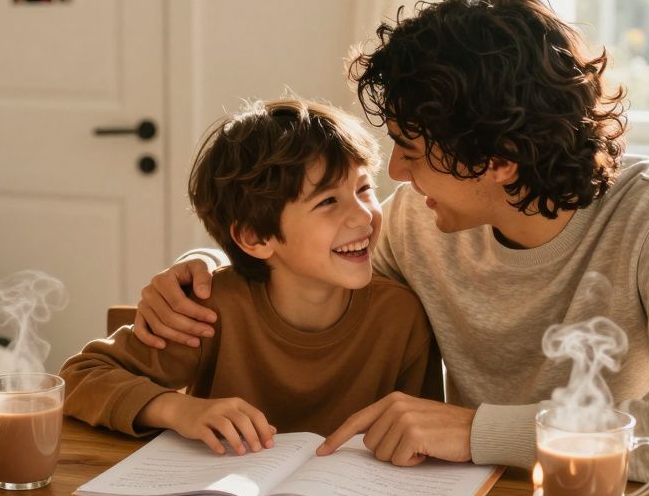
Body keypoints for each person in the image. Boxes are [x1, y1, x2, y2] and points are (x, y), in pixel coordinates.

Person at [132, 0, 649, 489]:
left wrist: (477, 432)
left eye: (412, 150)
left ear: (499, 160)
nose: (395, 173)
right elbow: (307, 263)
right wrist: (202, 266)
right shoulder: (418, 222)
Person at [60, 98, 443, 455]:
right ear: (255, 237)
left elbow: (422, 436)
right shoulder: (209, 311)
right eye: (328, 201)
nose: (362, 215)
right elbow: (80, 376)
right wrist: (178, 409)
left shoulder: (401, 317)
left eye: (364, 188)